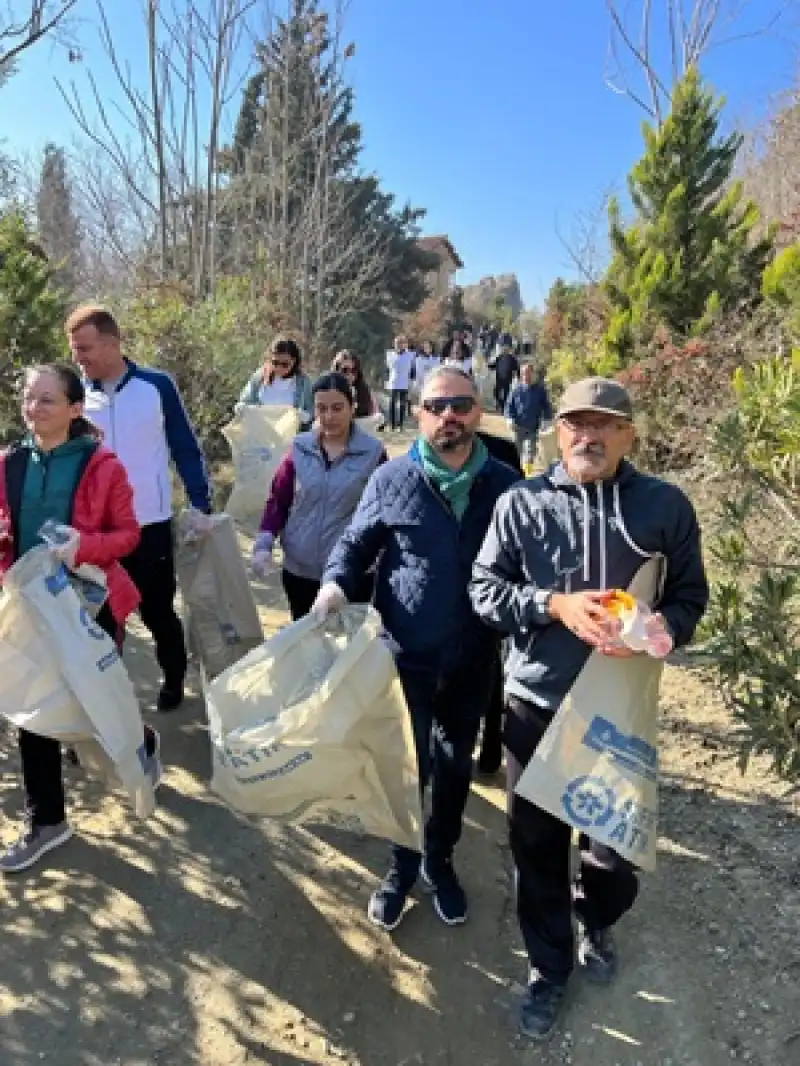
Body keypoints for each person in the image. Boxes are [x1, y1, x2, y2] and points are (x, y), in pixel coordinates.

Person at [469, 377, 709, 1039]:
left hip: (616, 715)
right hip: (536, 708)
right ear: (557, 431)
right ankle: (548, 970)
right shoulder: (522, 503)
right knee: (536, 850)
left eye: (606, 424)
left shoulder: (665, 506)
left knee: (613, 857)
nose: (589, 435)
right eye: (576, 422)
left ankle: (595, 917)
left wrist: (663, 631)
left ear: (630, 435)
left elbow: (690, 597)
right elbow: (485, 592)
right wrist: (553, 604)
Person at [313, 366, 520, 930]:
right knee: (409, 767)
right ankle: (400, 866)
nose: (447, 416)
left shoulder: (505, 486)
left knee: (455, 766)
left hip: (475, 656)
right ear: (421, 413)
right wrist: (335, 582)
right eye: (435, 406)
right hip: (407, 654)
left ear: (477, 411)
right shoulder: (392, 479)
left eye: (460, 404)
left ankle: (440, 860)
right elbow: (355, 544)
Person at [0, 364, 161, 873]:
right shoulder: (9, 463)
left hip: (89, 604)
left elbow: (128, 535)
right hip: (30, 608)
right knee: (34, 713)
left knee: (93, 709)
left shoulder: (103, 465)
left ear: (75, 409)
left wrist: (81, 547)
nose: (34, 408)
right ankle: (47, 819)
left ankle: (143, 741)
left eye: (48, 400)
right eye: (29, 398)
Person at [67, 304, 212, 712]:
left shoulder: (156, 386)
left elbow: (185, 447)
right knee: (101, 618)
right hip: (95, 533)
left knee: (157, 611)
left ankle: (173, 675)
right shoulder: (74, 394)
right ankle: (105, 699)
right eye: (75, 350)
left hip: (148, 523)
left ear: (113, 343)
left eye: (85, 348)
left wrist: (200, 502)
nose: (78, 358)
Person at [252, 372, 387, 620]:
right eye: (321, 408)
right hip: (299, 570)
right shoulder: (299, 448)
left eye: (337, 408)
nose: (329, 416)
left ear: (352, 407)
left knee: (346, 651)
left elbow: (381, 513)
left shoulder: (373, 453)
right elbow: (278, 499)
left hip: (350, 573)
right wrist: (263, 544)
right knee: (307, 648)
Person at [238, 336, 314, 427]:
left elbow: (312, 411)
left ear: (294, 361)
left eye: (284, 364)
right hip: (259, 434)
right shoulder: (259, 377)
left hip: (289, 437)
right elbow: (243, 402)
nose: (279, 368)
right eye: (275, 363)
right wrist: (243, 408)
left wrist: (303, 416)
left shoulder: (303, 383)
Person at [505, 364, 552, 460]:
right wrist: (509, 419)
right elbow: (509, 406)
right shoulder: (516, 390)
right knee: (517, 454)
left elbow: (546, 406)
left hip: (532, 428)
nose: (526, 376)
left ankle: (527, 472)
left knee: (529, 453)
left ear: (533, 374)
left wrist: (546, 420)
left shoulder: (540, 390)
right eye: (524, 374)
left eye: (528, 373)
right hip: (517, 428)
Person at [331, 351, 380, 418]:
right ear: (336, 370)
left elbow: (376, 417)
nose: (350, 375)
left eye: (353, 370)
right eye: (345, 370)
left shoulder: (366, 394)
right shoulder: (328, 394)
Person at [386, 334, 415, 432]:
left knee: (402, 403)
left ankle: (401, 425)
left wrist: (412, 379)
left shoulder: (410, 355)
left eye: (401, 343)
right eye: (397, 343)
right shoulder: (390, 354)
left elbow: (412, 368)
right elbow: (388, 368)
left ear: (405, 345)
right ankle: (392, 424)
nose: (399, 345)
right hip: (393, 381)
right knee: (392, 403)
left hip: (404, 382)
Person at [491, 342, 520, 413]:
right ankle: (501, 405)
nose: (504, 350)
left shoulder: (512, 358)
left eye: (506, 349)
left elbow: (516, 368)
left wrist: (518, 377)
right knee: (495, 393)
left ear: (508, 350)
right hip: (499, 379)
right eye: (503, 348)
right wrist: (489, 364)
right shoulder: (499, 357)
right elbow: (492, 366)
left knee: (506, 395)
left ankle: (504, 408)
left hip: (507, 379)